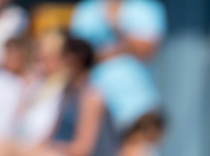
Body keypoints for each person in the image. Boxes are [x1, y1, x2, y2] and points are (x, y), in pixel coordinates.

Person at [69, 0, 165, 132]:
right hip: (95, 101)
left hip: (137, 104)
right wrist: (125, 46)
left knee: (135, 150)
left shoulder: (145, 8)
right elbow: (78, 54)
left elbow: (146, 50)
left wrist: (115, 24)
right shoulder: (86, 9)